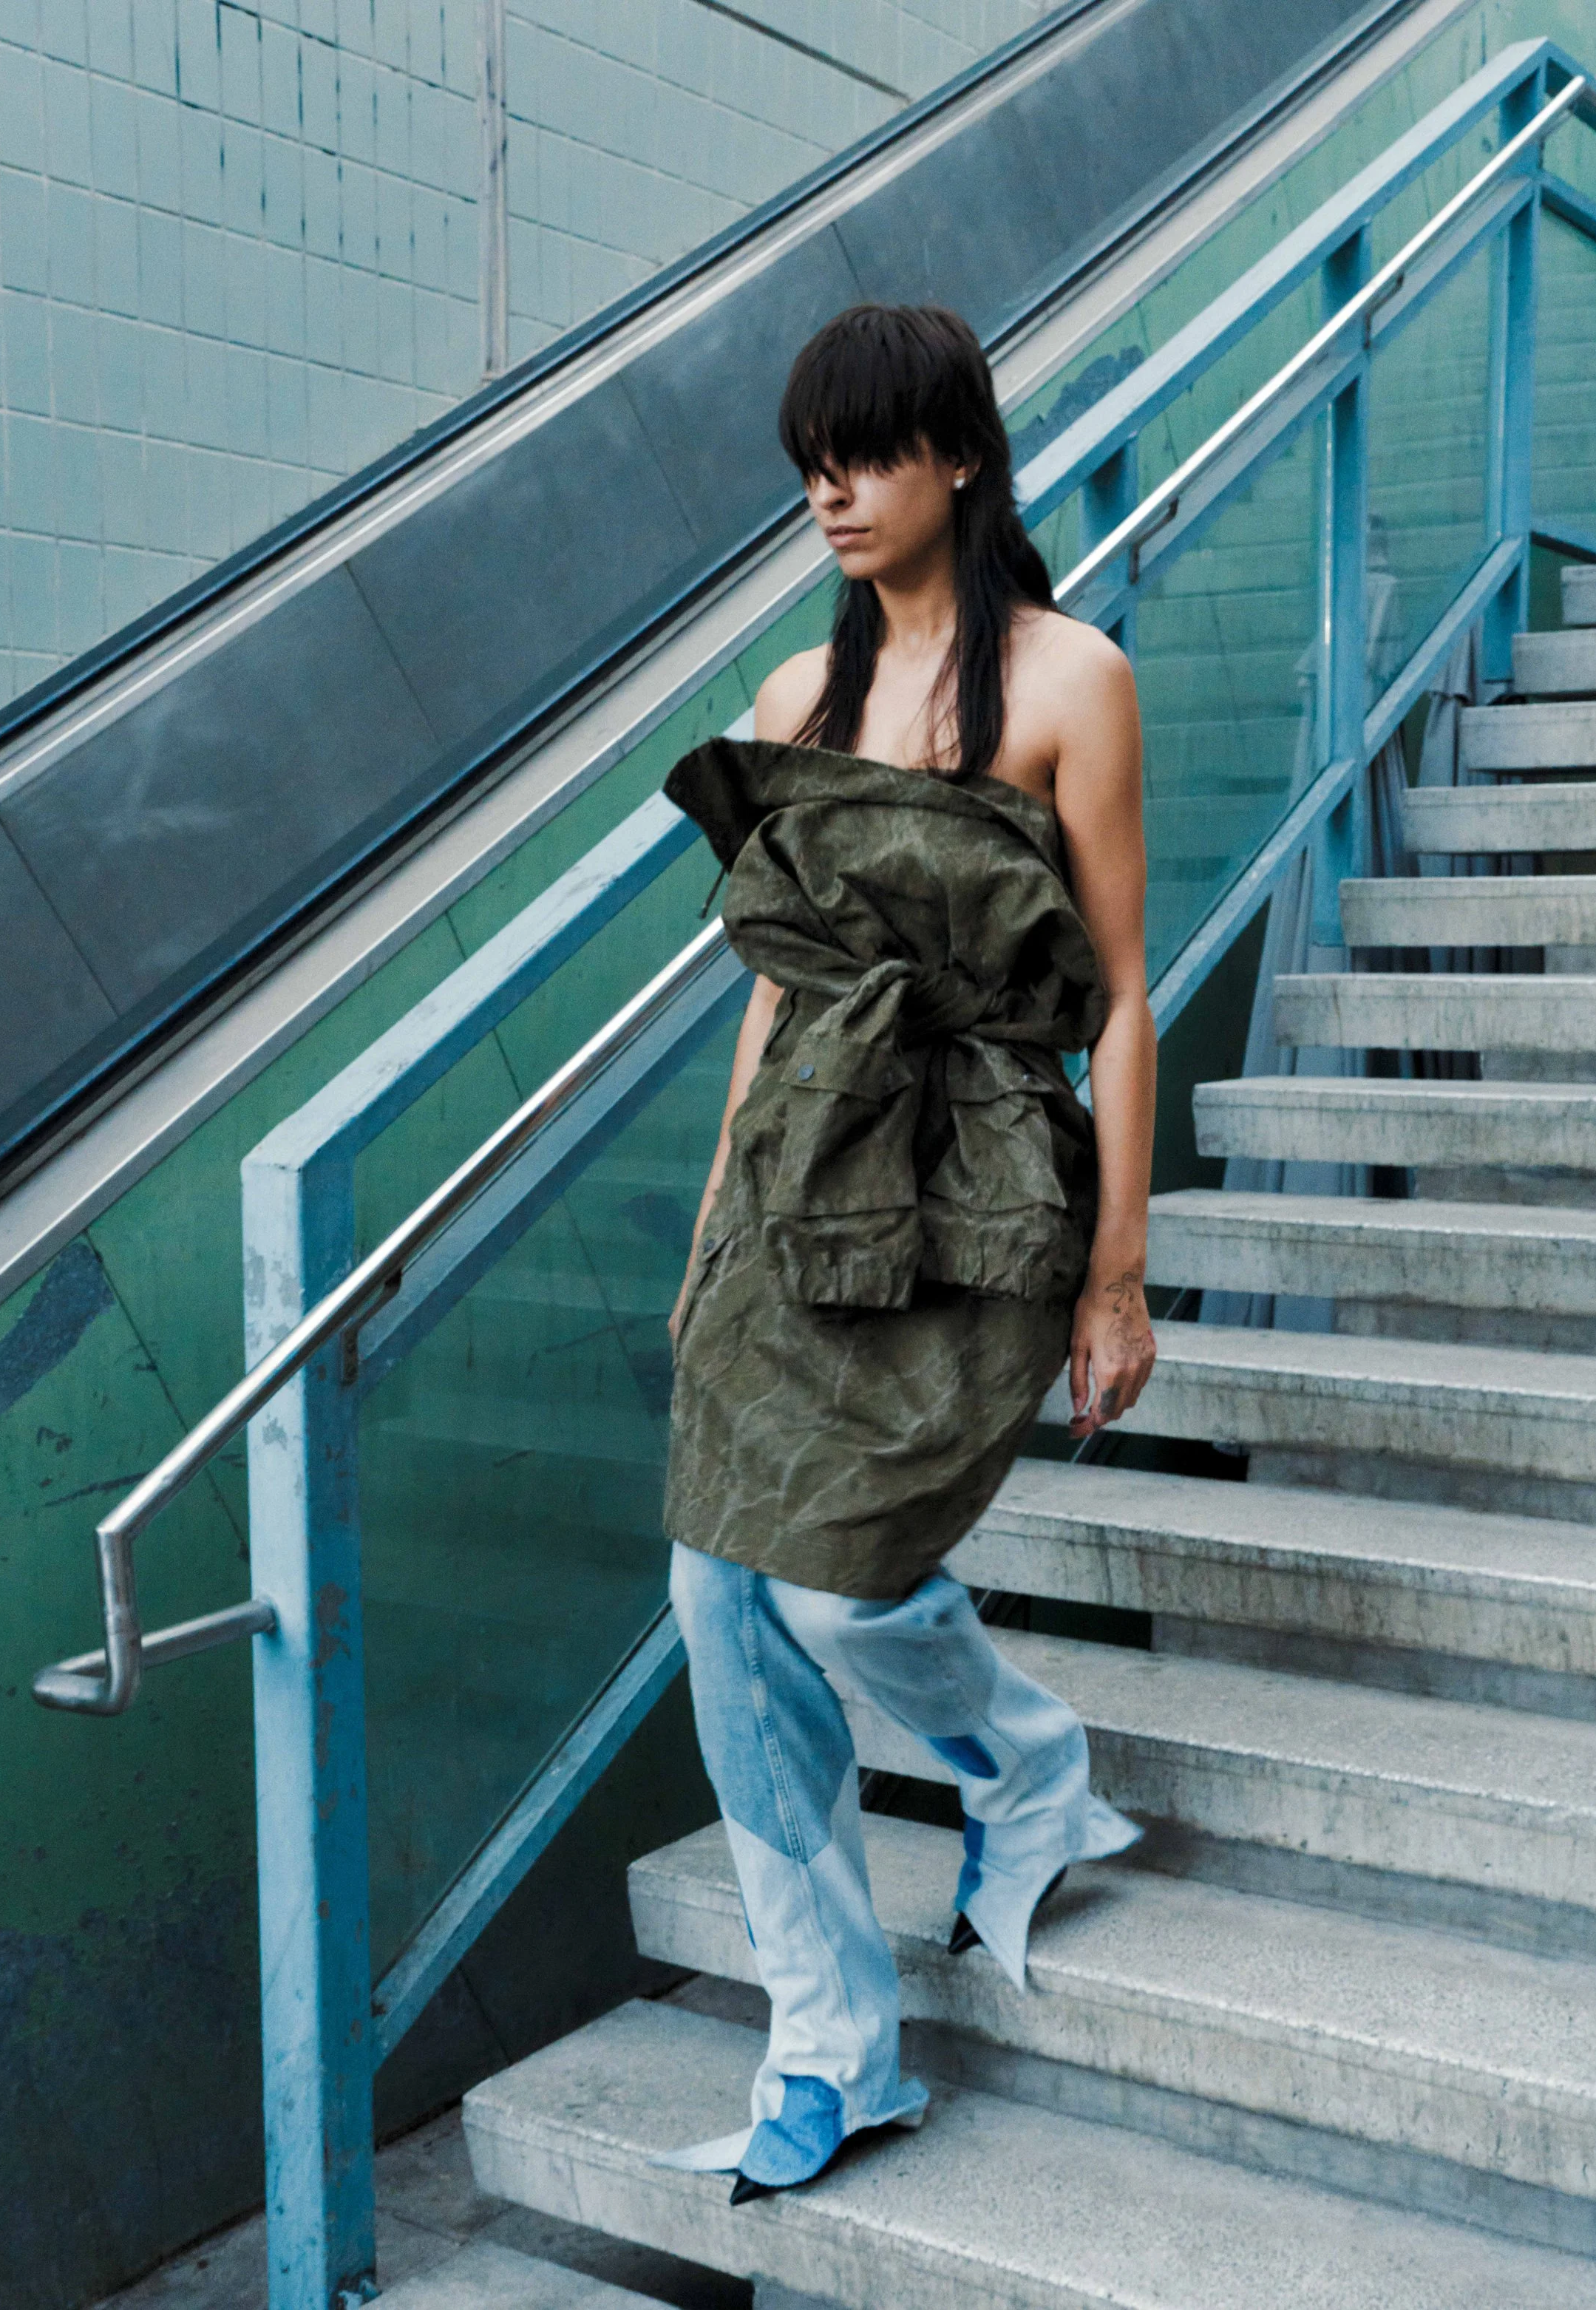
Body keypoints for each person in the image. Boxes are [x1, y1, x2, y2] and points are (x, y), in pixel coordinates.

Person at [654, 304, 1157, 2205]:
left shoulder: (1067, 678)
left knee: (846, 1588)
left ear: (956, 453)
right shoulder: (793, 701)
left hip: (989, 1184)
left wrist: (1116, 1268)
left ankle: (1023, 1760)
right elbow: (776, 1006)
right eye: (808, 459)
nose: (827, 490)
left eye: (859, 452)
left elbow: (1113, 991)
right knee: (717, 1596)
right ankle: (829, 2047)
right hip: (803, 1180)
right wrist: (716, 1224)